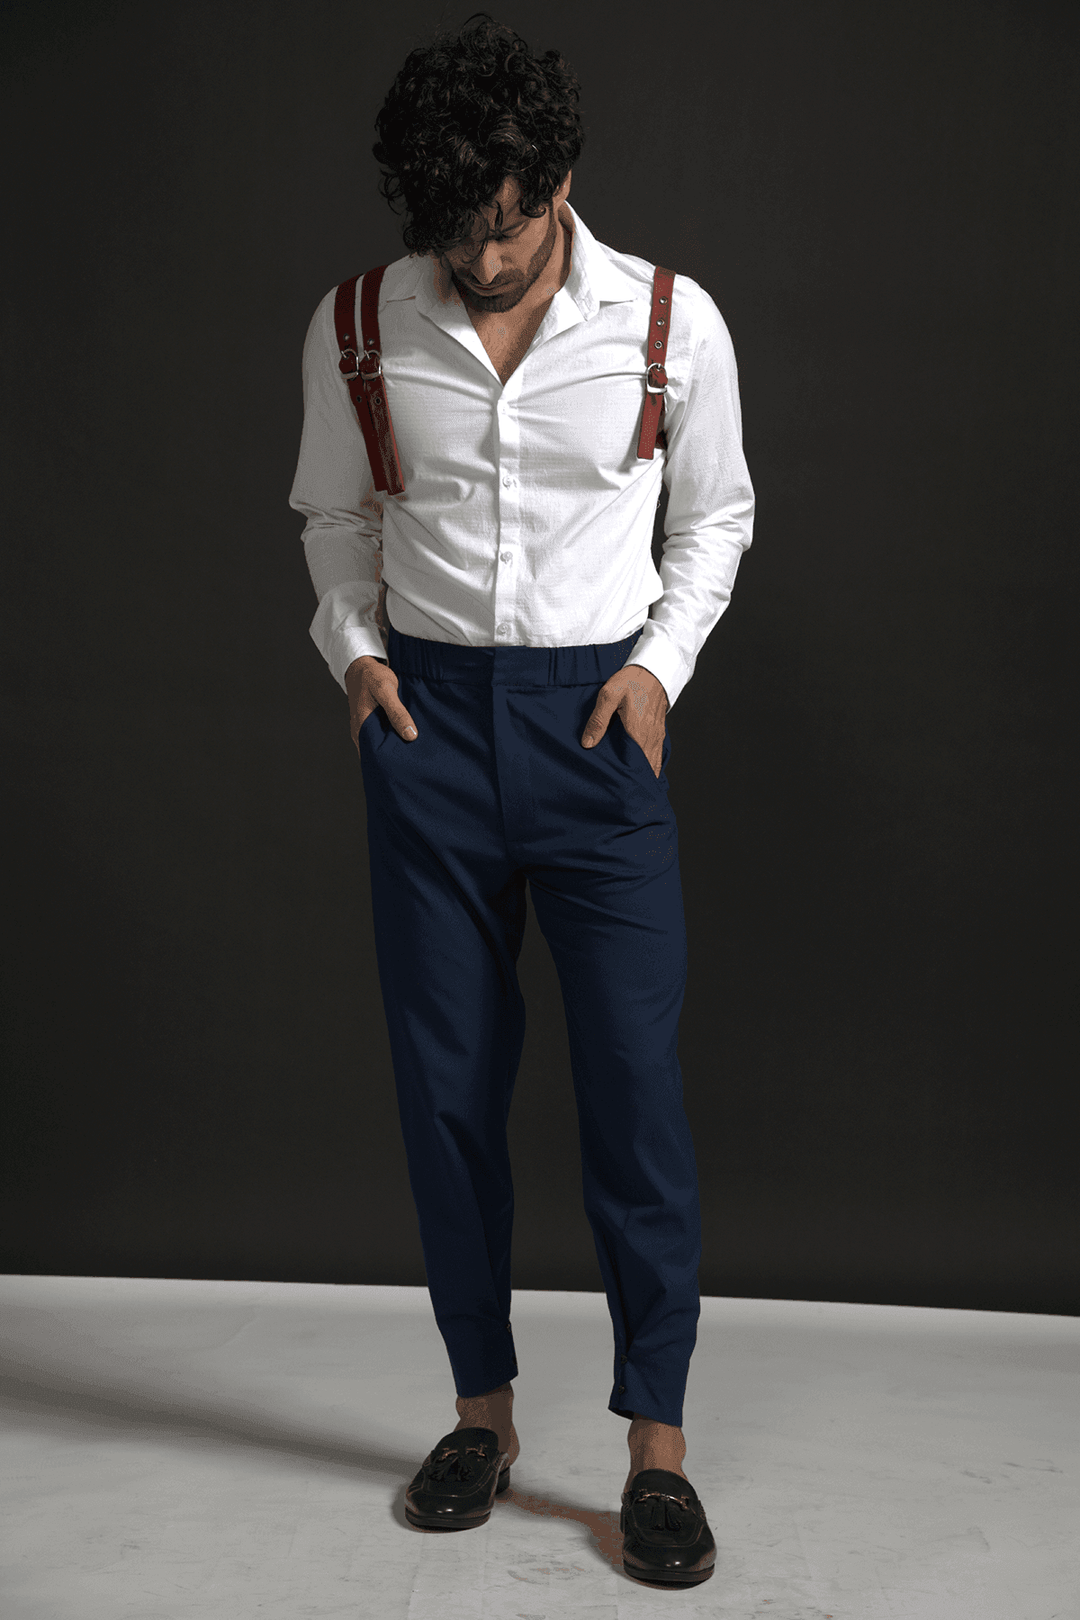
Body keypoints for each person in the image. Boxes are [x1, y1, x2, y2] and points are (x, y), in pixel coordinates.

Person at [289, 12, 753, 1588]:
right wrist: (357, 658)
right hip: (428, 730)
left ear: (559, 184)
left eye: (510, 223)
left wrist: (658, 672)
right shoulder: (359, 323)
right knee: (446, 1091)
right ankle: (479, 1418)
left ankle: (656, 1450)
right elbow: (333, 514)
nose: (484, 261)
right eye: (456, 231)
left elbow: (717, 520)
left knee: (631, 1089)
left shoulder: (671, 324)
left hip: (596, 730)